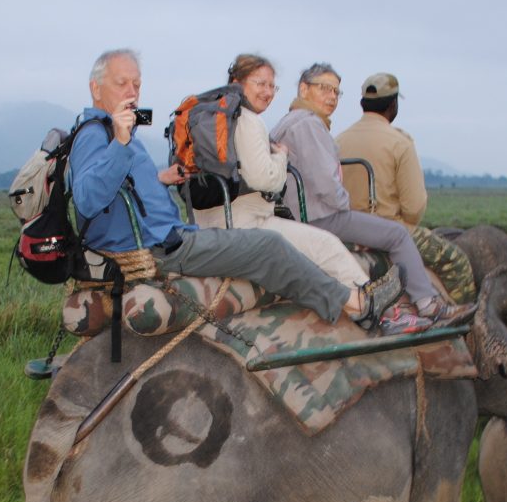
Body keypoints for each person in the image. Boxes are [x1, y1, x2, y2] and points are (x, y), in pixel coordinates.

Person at [68, 49, 396, 332]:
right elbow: (88, 199)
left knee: (271, 243)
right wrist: (122, 143)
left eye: (136, 83)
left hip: (173, 234)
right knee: (269, 246)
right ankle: (356, 305)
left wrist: (160, 179)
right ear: (95, 87)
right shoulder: (96, 135)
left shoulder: (114, 131)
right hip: (164, 246)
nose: (132, 91)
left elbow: (121, 191)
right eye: (121, 82)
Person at [270, 63, 476, 330]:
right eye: (325, 88)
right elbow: (328, 185)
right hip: (321, 216)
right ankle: (430, 305)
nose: (332, 97)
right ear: (303, 89)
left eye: (336, 91)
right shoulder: (310, 125)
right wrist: (350, 216)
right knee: (399, 235)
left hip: (300, 214)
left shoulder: (303, 125)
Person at [192, 53, 376, 312]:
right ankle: (368, 306)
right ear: (237, 82)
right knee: (326, 246)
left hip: (208, 223)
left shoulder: (215, 118)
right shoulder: (249, 120)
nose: (268, 92)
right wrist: (281, 158)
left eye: (272, 86)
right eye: (260, 83)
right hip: (247, 224)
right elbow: (265, 180)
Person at [336, 73, 476, 305]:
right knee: (456, 261)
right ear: (393, 105)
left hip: (347, 228)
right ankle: (464, 328)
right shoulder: (400, 142)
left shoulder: (339, 139)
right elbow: (413, 208)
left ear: (363, 104)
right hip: (389, 228)